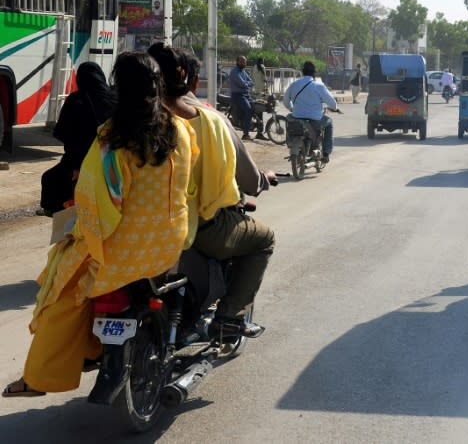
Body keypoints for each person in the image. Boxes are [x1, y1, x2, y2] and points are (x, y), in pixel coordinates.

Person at [3, 51, 196, 397]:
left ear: (120, 88)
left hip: (122, 253)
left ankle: (38, 379)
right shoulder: (181, 132)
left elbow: (98, 208)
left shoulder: (112, 141)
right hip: (170, 244)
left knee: (60, 294)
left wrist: (75, 236)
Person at [149, 44, 275, 339]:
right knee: (264, 239)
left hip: (127, 227)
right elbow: (245, 180)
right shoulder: (206, 120)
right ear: (191, 81)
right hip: (194, 226)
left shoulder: (118, 122)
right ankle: (229, 318)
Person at [40, 62, 117, 215]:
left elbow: (63, 134)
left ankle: (54, 212)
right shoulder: (114, 99)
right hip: (111, 160)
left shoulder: (75, 100)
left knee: (51, 179)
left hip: (79, 160)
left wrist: (77, 165)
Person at [283, 61, 340, 163]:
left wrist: (292, 109)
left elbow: (286, 101)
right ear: (314, 73)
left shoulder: (294, 84)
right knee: (329, 123)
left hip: (297, 118)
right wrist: (335, 108)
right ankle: (326, 153)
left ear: (303, 72)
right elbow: (333, 104)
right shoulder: (319, 86)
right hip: (315, 120)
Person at [229, 55, 255, 140]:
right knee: (248, 109)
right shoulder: (234, 72)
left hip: (246, 95)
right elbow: (242, 84)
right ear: (237, 62)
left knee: (257, 106)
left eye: (245, 61)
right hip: (238, 95)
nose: (244, 63)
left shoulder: (243, 71)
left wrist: (247, 84)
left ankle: (259, 132)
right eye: (242, 61)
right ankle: (245, 134)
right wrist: (247, 84)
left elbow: (251, 82)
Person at [249, 57, 269, 140]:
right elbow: (265, 79)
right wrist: (266, 90)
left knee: (256, 111)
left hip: (253, 92)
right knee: (260, 112)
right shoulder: (262, 67)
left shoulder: (253, 67)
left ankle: (256, 129)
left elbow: (251, 78)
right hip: (260, 93)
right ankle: (259, 133)